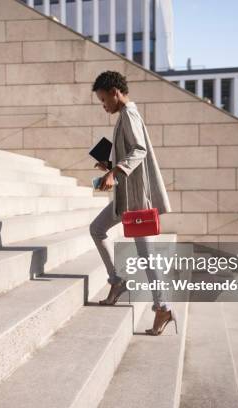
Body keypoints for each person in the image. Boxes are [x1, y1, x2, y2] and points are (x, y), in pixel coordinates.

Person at [89, 70, 174, 335]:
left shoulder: (129, 114)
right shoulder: (125, 115)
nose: (104, 106)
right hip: (127, 198)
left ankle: (163, 307)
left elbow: (140, 150)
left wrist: (115, 172)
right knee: (97, 229)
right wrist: (110, 165)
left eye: (104, 100)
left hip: (136, 201)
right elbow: (131, 153)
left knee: (146, 256)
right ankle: (116, 281)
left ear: (115, 92)